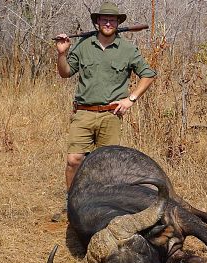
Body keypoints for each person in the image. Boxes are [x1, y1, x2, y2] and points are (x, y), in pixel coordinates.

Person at [51, 1, 156, 221]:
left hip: (111, 115)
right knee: (74, 160)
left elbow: (148, 74)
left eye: (112, 20)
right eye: (104, 19)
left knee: (107, 167)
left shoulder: (128, 49)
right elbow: (65, 73)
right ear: (97, 22)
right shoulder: (84, 46)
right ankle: (72, 205)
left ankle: (104, 208)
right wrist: (62, 53)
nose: (108, 23)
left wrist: (131, 99)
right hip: (83, 113)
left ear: (118, 23)